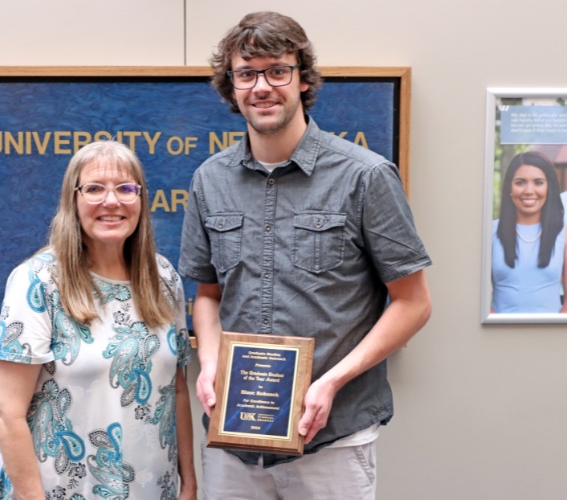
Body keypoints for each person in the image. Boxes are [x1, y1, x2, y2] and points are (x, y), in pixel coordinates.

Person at [178, 11, 432, 499]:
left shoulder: (366, 176)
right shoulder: (209, 180)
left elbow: (414, 302)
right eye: (246, 74)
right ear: (230, 87)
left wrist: (331, 381)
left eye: (278, 70)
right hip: (234, 444)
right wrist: (210, 364)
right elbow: (207, 294)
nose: (262, 86)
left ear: (303, 79)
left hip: (332, 439)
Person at [0, 141, 197, 500]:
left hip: (152, 488)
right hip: (58, 490)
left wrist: (189, 483)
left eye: (126, 189)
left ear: (141, 200)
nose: (112, 201)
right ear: (74, 200)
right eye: (95, 189)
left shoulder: (163, 279)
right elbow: (6, 414)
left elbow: (176, 390)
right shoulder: (38, 282)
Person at [492, 151, 567, 313]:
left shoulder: (564, 233)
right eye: (520, 183)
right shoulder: (490, 232)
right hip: (498, 335)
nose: (528, 190)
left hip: (550, 334)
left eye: (538, 182)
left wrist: (554, 332)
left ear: (549, 187)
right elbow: (480, 300)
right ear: (509, 188)